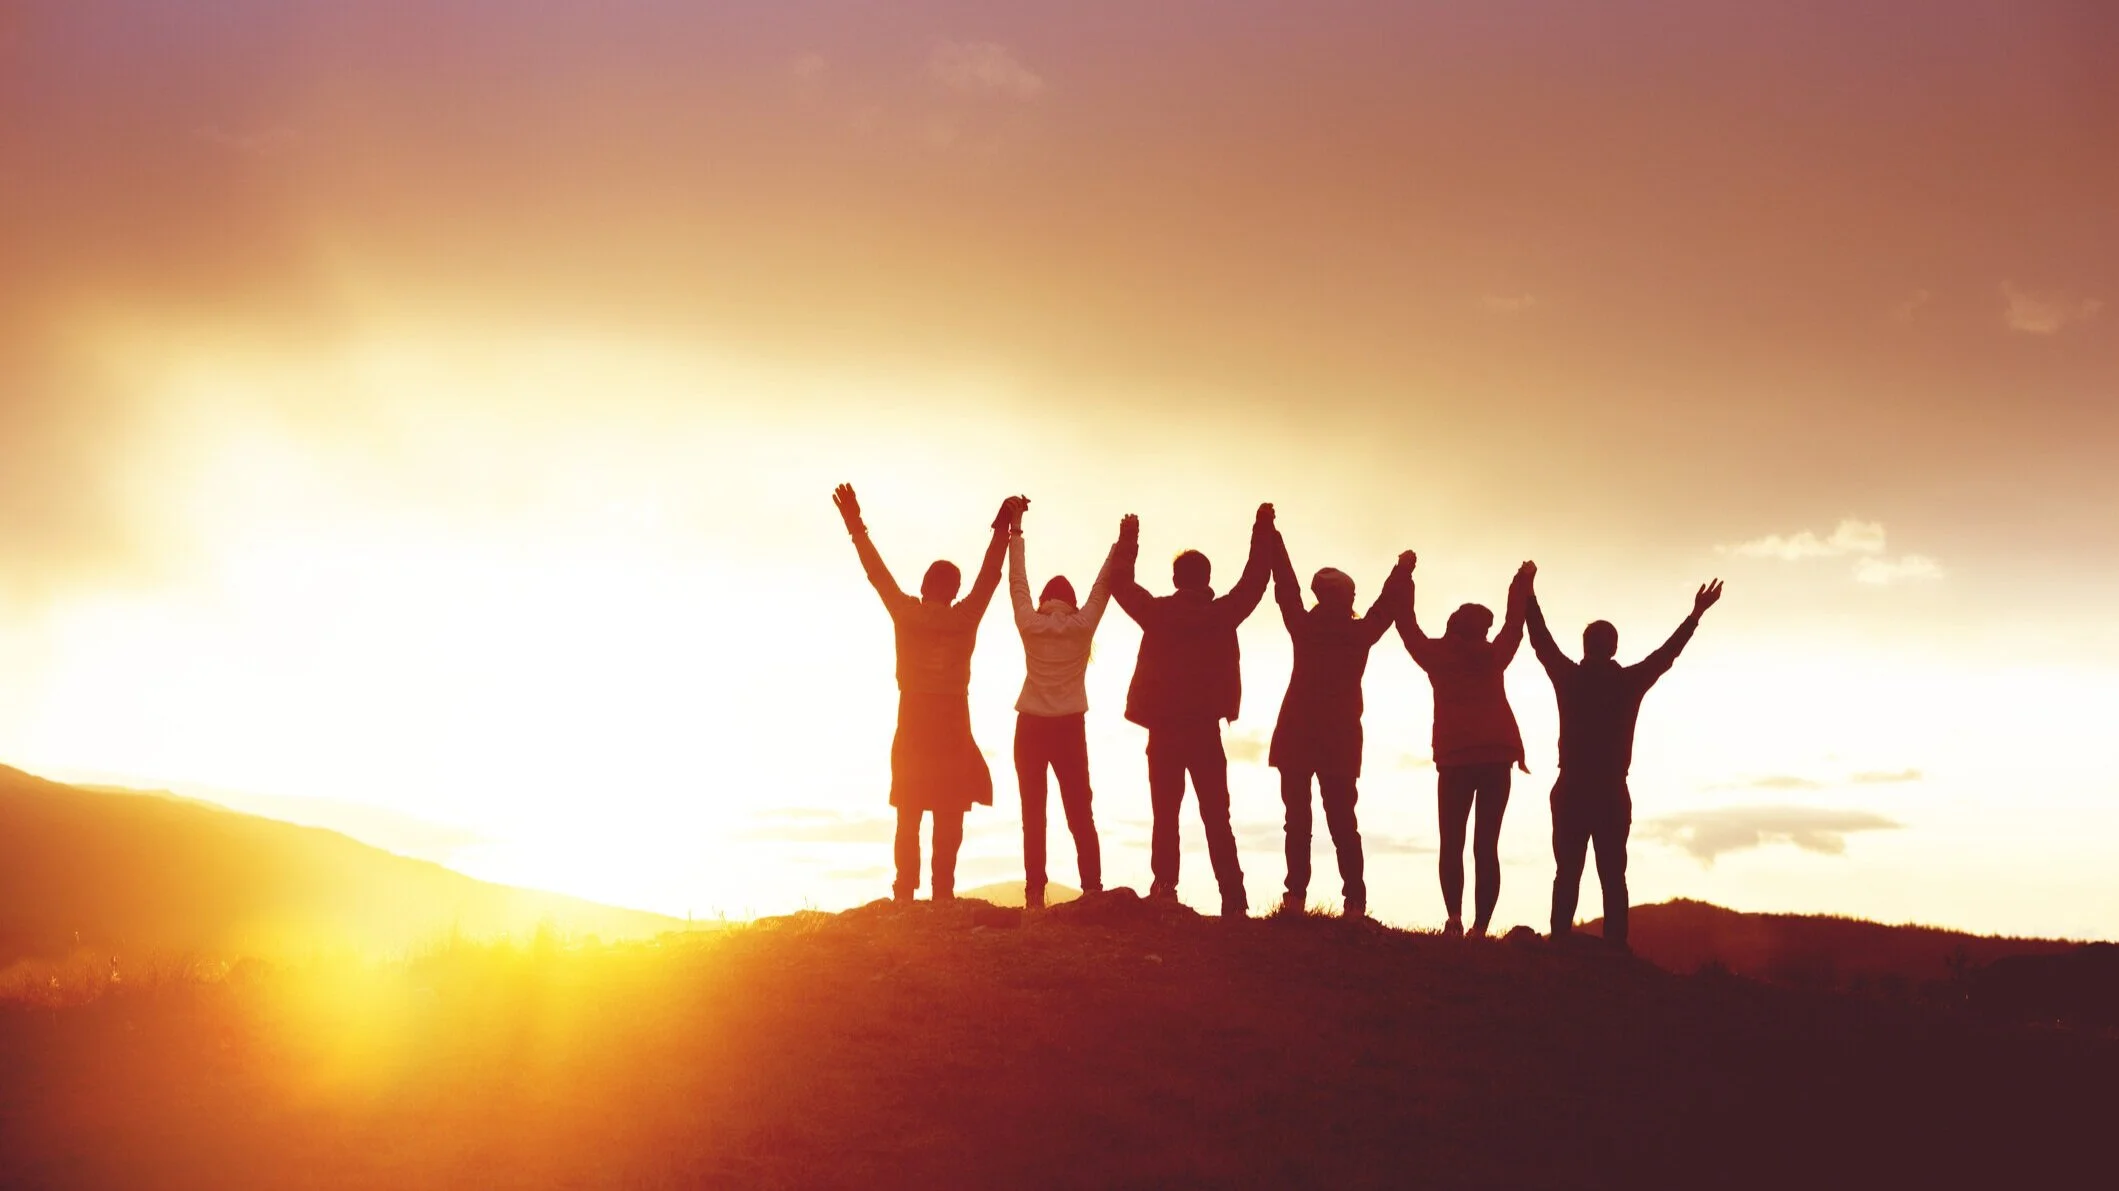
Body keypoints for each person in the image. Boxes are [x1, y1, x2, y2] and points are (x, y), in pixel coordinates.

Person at [833, 483, 1024, 904]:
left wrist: (855, 525)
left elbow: (877, 574)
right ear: (954, 591)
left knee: (909, 812)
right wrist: (1003, 530)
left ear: (924, 586)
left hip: (914, 721)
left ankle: (904, 890)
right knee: (949, 814)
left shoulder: (906, 613)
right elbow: (990, 577)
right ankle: (943, 891)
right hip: (953, 724)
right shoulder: (965, 618)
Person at [1526, 572, 1722, 951]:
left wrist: (1529, 595)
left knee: (1567, 872)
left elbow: (1541, 641)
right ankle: (1615, 947)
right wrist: (1695, 614)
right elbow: (1667, 654)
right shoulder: (1629, 682)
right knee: (1613, 875)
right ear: (1614, 648)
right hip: (1611, 791)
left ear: (1585, 647)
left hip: (1572, 788)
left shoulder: (1569, 677)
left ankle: (1560, 940)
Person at [1109, 504, 1278, 917]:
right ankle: (1233, 899)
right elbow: (1255, 581)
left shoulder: (1157, 613)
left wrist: (1128, 540)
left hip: (1164, 731)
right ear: (1207, 579)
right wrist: (1262, 529)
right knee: (1217, 817)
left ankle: (1165, 888)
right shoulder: (1222, 615)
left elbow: (1121, 585)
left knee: (1165, 814)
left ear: (1175, 580)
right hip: (1204, 731)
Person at [1265, 534, 1415, 918]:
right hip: (1340, 739)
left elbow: (1286, 587)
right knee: (1344, 824)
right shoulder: (1358, 634)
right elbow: (1386, 606)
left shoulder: (1303, 626)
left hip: (1296, 735)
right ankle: (1355, 901)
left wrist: (1272, 539)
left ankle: (1295, 896)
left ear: (1319, 596)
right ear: (1348, 599)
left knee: (1297, 821)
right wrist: (1402, 570)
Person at [1398, 559, 1535, 938]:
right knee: (1486, 847)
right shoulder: (1494, 657)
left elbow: (1406, 626)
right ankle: (1480, 927)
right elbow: (1514, 624)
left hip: (1455, 760)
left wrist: (1404, 576)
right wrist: (1522, 581)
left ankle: (1455, 919)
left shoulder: (1437, 657)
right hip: (1496, 758)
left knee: (1451, 843)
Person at [1006, 503, 1119, 910]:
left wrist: (1016, 532)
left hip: (1030, 726)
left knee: (1033, 814)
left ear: (1044, 599)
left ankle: (1034, 893)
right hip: (1069, 727)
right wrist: (1119, 546)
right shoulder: (1083, 626)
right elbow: (1102, 587)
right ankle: (1092, 888)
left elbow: (1017, 582)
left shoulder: (1029, 623)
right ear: (1071, 600)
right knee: (1080, 812)